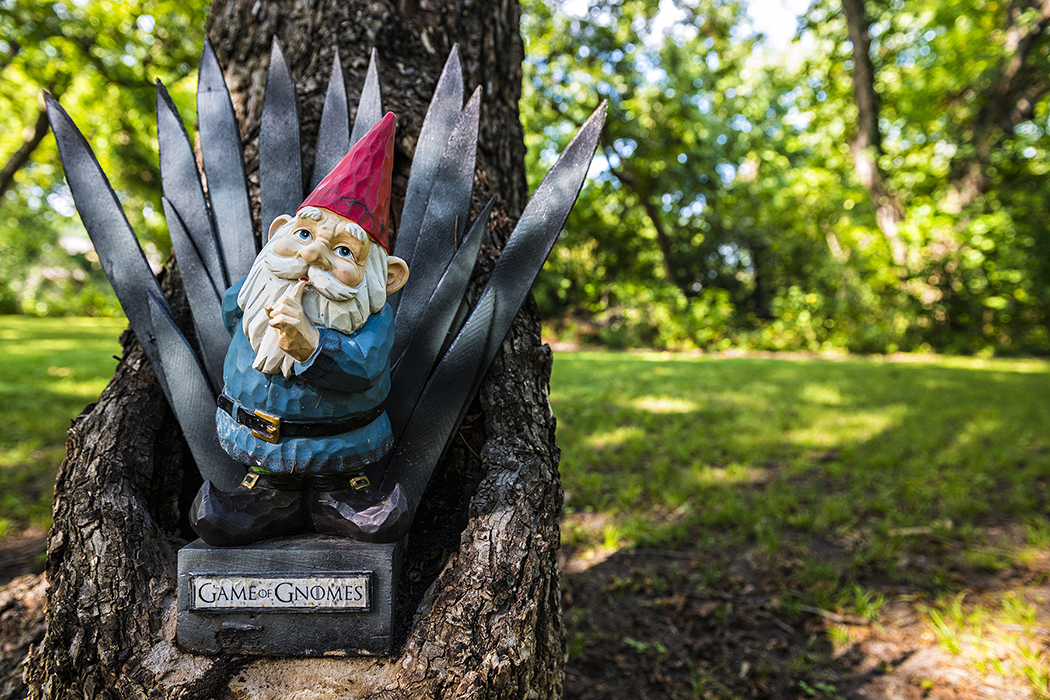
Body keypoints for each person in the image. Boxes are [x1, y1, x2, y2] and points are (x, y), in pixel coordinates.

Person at [190, 112, 411, 547]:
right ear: (279, 233)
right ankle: (269, 496)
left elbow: (365, 366)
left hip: (341, 443)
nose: (313, 255)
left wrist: (312, 346)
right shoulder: (256, 288)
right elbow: (233, 313)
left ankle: (339, 497)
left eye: (344, 251)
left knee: (340, 479)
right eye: (305, 234)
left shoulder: (374, 319)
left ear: (385, 279)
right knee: (267, 483)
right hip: (258, 436)